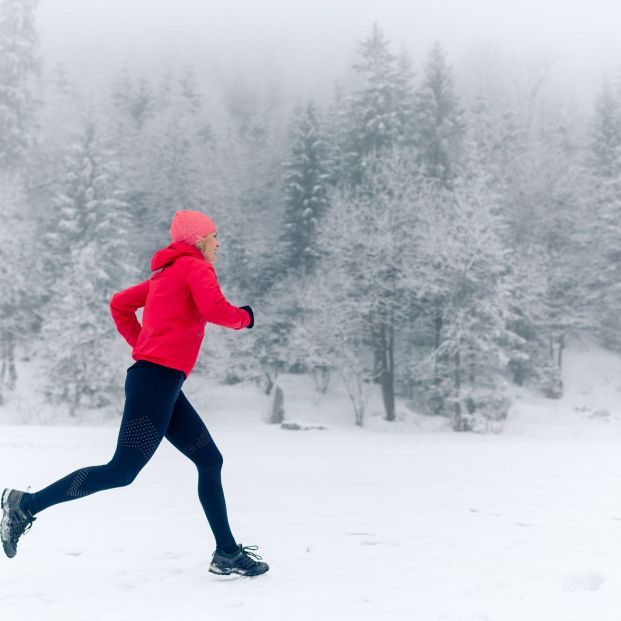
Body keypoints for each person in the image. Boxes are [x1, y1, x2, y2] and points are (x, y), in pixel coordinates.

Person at [1, 210, 269, 577]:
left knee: (210, 461)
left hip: (162, 383)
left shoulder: (166, 276)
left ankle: (226, 552)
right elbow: (213, 309)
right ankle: (25, 505)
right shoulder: (195, 269)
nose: (218, 243)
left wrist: (143, 343)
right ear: (198, 240)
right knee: (121, 471)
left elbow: (120, 304)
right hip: (156, 382)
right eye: (214, 236)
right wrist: (246, 317)